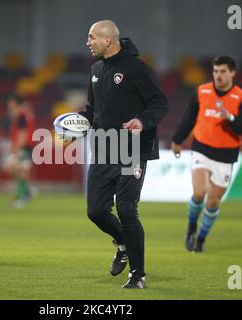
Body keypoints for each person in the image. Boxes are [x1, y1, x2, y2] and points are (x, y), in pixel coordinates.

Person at [80, 20, 168, 289]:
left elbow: (159, 102)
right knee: (95, 211)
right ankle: (123, 244)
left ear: (108, 40)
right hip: (105, 149)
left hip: (132, 150)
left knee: (127, 209)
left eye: (91, 37)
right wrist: (75, 124)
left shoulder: (137, 69)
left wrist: (142, 120)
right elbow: (92, 111)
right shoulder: (95, 70)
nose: (88, 42)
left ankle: (138, 275)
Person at [171, 56, 242, 253]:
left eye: (223, 71)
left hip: (226, 156)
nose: (219, 75)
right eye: (216, 71)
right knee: (199, 192)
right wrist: (177, 139)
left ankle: (201, 238)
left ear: (232, 73)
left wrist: (230, 118)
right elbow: (189, 118)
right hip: (202, 148)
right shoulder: (201, 91)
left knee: (213, 202)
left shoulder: (241, 98)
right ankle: (191, 227)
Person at [4, 94, 36, 208]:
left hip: (24, 148)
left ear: (15, 103)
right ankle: (26, 191)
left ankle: (22, 196)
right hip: (26, 147)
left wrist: (16, 150)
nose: (8, 105)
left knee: (18, 170)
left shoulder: (21, 116)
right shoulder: (24, 115)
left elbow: (22, 135)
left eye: (10, 102)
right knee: (17, 170)